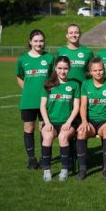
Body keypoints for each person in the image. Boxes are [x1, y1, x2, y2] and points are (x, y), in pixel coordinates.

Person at [38, 56, 80, 181]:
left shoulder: (74, 84)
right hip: (51, 122)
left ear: (69, 69)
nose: (63, 71)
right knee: (47, 136)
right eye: (60, 68)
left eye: (65, 68)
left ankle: (64, 170)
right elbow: (42, 106)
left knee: (63, 137)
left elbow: (76, 107)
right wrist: (46, 123)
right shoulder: (48, 84)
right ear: (55, 68)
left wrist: (68, 122)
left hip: (68, 122)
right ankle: (46, 170)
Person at [16, 29, 54, 169]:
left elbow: (53, 78)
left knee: (44, 129)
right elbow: (19, 76)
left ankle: (45, 158)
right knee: (29, 127)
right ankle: (32, 159)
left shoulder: (50, 58)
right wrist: (27, 90)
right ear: (30, 42)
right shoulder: (23, 59)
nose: (39, 43)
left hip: (45, 101)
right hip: (28, 101)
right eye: (36, 41)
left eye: (41, 41)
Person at [76, 56, 106, 180]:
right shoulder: (86, 84)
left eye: (100, 70)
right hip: (91, 121)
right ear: (90, 72)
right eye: (95, 70)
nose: (98, 73)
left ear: (104, 70)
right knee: (81, 132)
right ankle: (83, 168)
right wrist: (84, 121)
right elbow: (83, 105)